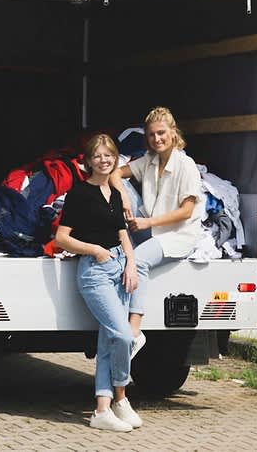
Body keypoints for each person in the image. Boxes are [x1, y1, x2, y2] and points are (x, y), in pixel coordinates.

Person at [55, 133, 142, 432]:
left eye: (109, 156)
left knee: (108, 341)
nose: (104, 160)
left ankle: (104, 409)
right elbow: (61, 238)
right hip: (94, 271)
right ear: (88, 161)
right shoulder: (79, 194)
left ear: (115, 159)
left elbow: (122, 234)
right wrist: (94, 250)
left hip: (119, 268)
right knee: (124, 335)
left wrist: (131, 264)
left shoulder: (115, 194)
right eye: (98, 156)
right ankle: (122, 395)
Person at [111, 107, 204, 357]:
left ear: (173, 133)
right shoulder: (149, 161)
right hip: (152, 230)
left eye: (161, 133)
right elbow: (115, 172)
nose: (157, 139)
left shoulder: (186, 166)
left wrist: (147, 222)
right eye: (152, 135)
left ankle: (134, 332)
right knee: (120, 253)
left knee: (137, 260)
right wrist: (125, 199)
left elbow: (186, 211)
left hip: (177, 235)